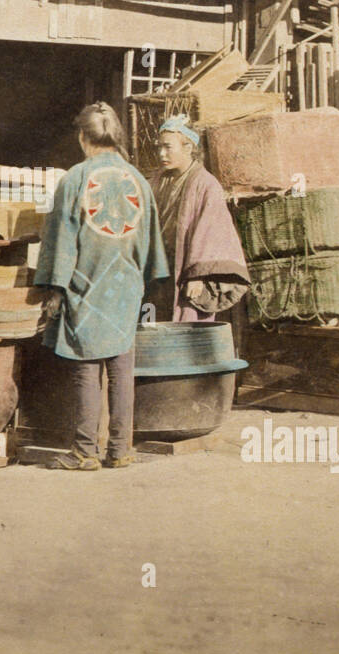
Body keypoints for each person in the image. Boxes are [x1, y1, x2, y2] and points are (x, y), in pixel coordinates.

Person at [33, 102, 168, 471]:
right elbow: (150, 239)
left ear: (82, 137)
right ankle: (121, 449)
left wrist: (55, 288)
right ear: (117, 137)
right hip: (125, 286)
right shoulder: (138, 180)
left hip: (85, 286)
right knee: (122, 366)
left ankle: (84, 451)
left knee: (85, 367)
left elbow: (61, 238)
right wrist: (142, 281)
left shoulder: (75, 178)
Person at [148, 115, 249, 323]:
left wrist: (198, 275)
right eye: (159, 147)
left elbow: (212, 232)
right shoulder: (158, 179)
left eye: (168, 147)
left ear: (188, 147)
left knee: (187, 327)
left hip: (186, 270)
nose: (161, 153)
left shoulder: (206, 184)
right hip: (160, 270)